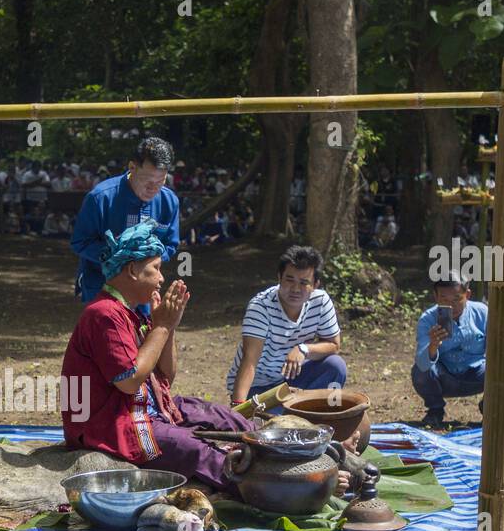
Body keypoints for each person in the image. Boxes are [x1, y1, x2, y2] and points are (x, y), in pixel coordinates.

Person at [60, 219, 256, 493]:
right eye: (156, 269)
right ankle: (262, 486)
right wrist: (162, 325)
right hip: (107, 423)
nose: (162, 278)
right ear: (132, 270)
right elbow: (128, 381)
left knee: (219, 416)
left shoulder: (131, 311)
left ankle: (268, 446)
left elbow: (166, 376)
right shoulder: (103, 313)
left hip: (146, 408)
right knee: (195, 448)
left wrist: (168, 326)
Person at [227, 245, 347, 405]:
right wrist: (239, 407)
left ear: (315, 285)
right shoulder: (261, 307)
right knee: (266, 425)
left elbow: (334, 345)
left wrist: (304, 349)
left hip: (292, 380)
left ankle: (326, 414)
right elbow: (249, 361)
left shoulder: (321, 301)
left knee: (335, 365)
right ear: (279, 277)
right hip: (258, 388)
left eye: (304, 282)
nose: (295, 289)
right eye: (289, 280)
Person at [70, 136, 181, 303]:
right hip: (101, 287)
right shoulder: (101, 198)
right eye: (147, 180)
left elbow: (171, 244)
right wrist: (117, 256)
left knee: (143, 329)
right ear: (132, 167)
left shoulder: (169, 201)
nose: (153, 189)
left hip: (143, 289)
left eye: (161, 181)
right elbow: (80, 242)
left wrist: (148, 258)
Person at [411, 269, 487, 428]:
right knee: (420, 370)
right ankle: (435, 410)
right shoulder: (428, 319)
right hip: (444, 377)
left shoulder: (482, 313)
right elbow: (423, 364)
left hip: (477, 374)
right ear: (435, 297)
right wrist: (432, 346)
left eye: (457, 299)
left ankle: (490, 408)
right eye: (443, 298)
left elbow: (498, 351)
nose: (450, 305)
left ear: (468, 295)